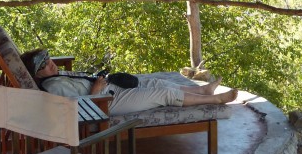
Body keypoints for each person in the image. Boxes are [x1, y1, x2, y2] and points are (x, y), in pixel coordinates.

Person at [20, 48, 238, 115]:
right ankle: (215, 100)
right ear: (36, 74)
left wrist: (100, 80)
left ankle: (203, 91)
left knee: (156, 82)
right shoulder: (53, 86)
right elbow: (76, 110)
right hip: (106, 103)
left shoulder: (57, 76)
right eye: (43, 64)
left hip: (108, 90)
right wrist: (96, 89)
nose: (50, 63)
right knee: (164, 94)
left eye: (48, 58)